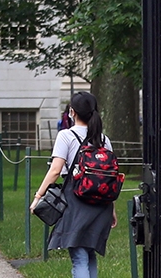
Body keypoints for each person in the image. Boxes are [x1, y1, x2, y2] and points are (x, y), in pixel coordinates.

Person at [29, 91, 115, 278]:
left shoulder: (66, 136)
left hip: (76, 202)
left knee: (79, 257)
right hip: (101, 206)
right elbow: (108, 177)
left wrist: (38, 197)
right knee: (89, 253)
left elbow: (55, 171)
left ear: (72, 112)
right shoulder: (104, 140)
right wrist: (112, 210)